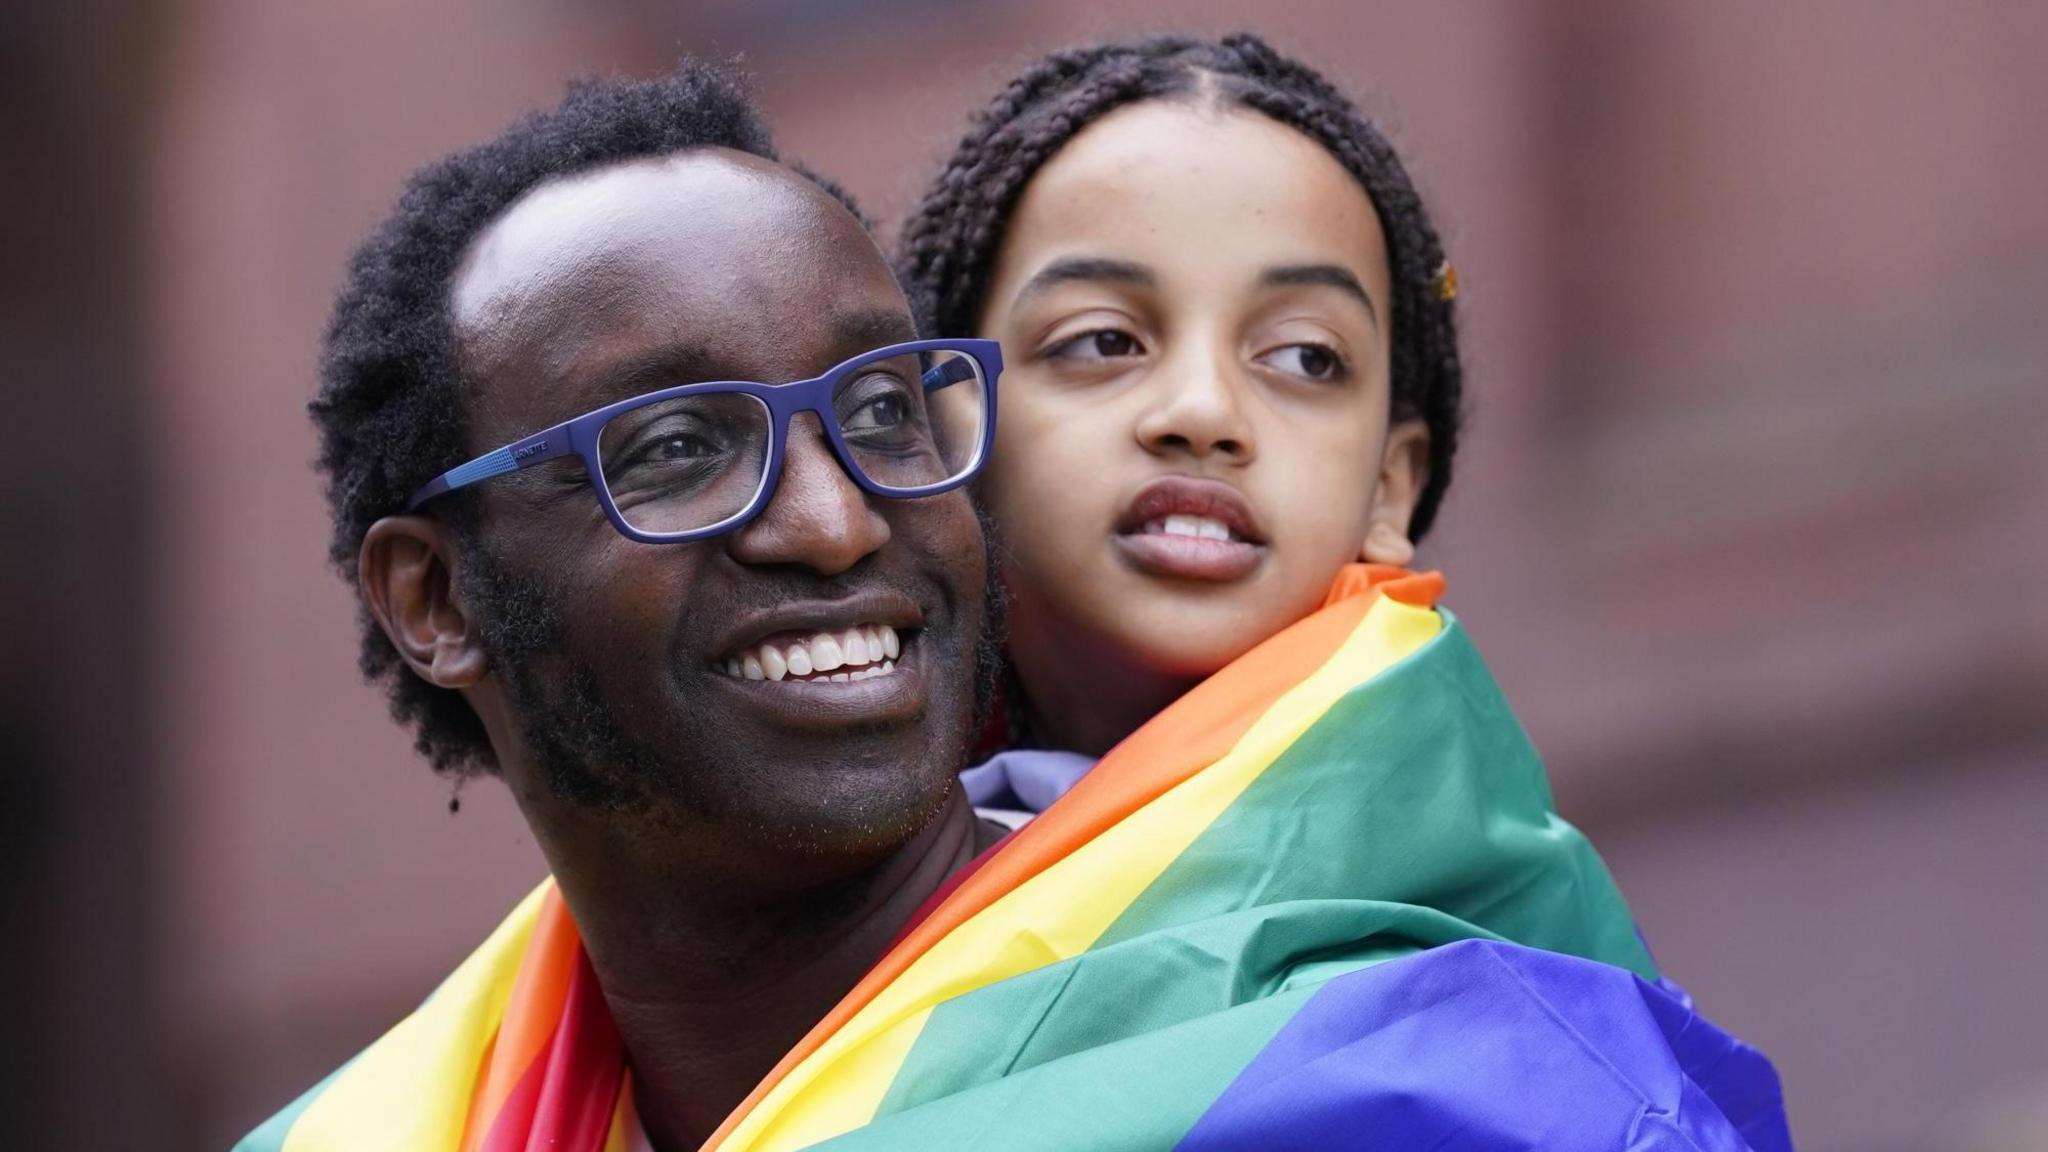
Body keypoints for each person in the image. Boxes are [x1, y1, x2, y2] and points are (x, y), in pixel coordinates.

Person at [693, 35, 1793, 1150]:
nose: (1202, 410)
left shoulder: (1506, 1019)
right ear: (947, 423)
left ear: (1390, 484)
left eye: (1304, 358)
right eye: (1103, 340)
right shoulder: (737, 918)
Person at [236, 64, 1008, 1151]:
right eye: (677, 447)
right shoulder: (375, 1134)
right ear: (435, 598)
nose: (835, 524)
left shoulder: (1268, 1020)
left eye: (880, 409)